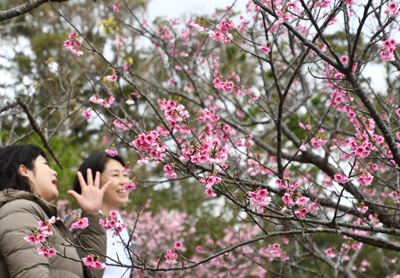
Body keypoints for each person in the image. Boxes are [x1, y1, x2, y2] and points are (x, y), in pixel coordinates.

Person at [0, 144, 110, 278]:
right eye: (45, 164)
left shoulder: (38, 216)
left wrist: (92, 214)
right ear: (24, 170)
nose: (54, 172)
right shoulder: (18, 211)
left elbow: (91, 272)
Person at [64, 152, 137, 278]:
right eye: (115, 175)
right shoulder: (76, 221)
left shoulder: (130, 230)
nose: (125, 181)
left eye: (125, 175)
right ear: (94, 180)